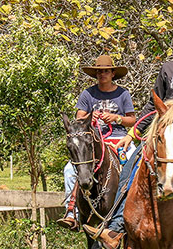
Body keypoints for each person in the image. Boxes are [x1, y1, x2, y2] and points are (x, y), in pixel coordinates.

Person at [84, 21, 173, 249]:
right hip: (162, 130)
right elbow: (153, 106)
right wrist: (133, 132)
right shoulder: (169, 69)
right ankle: (117, 225)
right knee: (132, 164)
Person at [57, 55, 136, 231]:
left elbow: (132, 120)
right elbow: (79, 119)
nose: (102, 74)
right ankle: (72, 212)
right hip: (93, 141)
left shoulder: (123, 94)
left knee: (136, 163)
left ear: (113, 73)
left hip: (118, 138)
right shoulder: (88, 94)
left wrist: (116, 118)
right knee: (70, 169)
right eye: (99, 72)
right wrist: (91, 119)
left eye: (106, 71)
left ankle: (136, 208)